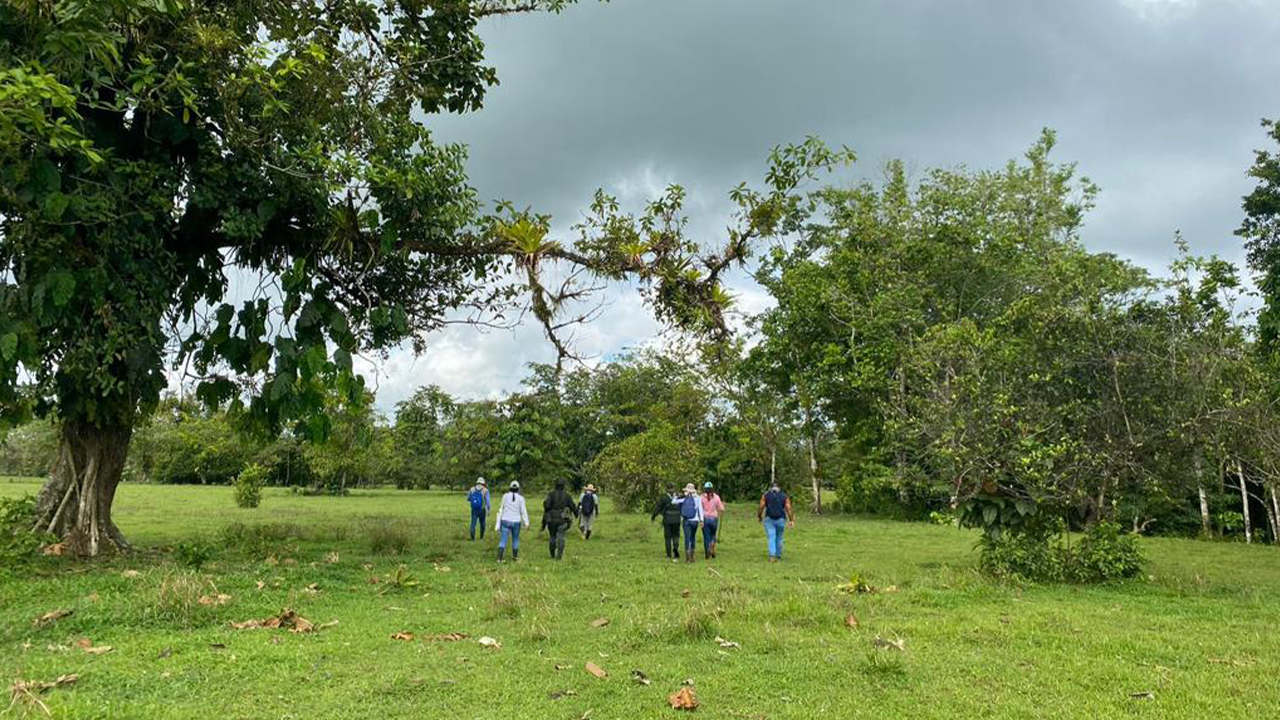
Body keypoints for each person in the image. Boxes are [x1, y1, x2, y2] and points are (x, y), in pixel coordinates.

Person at [757, 482, 795, 562]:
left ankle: (772, 555)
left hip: (769, 519)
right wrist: (791, 520)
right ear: (779, 488)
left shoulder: (766, 495)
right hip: (781, 519)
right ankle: (778, 555)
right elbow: (788, 508)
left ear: (770, 488)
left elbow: (761, 506)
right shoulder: (784, 496)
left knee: (771, 536)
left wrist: (759, 516)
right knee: (779, 537)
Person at [542, 480, 579, 560]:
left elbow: (546, 506)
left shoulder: (551, 495)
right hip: (563, 519)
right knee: (561, 536)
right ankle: (559, 555)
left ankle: (552, 554)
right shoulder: (567, 496)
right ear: (563, 486)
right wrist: (576, 514)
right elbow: (573, 506)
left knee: (552, 536)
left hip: (552, 519)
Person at [494, 481, 529, 562]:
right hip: (516, 521)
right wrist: (526, 523)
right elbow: (523, 511)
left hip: (505, 520)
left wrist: (498, 522)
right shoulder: (521, 498)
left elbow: (501, 508)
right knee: (515, 539)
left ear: (509, 488)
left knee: (503, 540)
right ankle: (515, 557)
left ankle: (500, 558)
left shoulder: (505, 496)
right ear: (518, 489)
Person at [650, 484, 684, 562]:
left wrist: (653, 516)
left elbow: (658, 508)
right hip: (677, 519)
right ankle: (675, 553)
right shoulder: (679, 496)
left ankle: (669, 555)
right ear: (674, 488)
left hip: (667, 519)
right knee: (676, 536)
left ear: (666, 489)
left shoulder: (664, 498)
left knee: (668, 537)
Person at [678, 483, 704, 563]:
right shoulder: (697, 497)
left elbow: (674, 502)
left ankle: (687, 558)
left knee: (687, 538)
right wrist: (701, 520)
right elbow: (700, 509)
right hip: (695, 521)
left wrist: (678, 496)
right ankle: (692, 557)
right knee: (693, 537)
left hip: (686, 520)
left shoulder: (684, 498)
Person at [699, 481, 725, 559]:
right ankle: (712, 547)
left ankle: (707, 552)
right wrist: (723, 505)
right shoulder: (716, 497)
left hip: (705, 518)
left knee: (706, 536)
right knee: (713, 535)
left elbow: (699, 508)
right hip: (714, 519)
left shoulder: (701, 497)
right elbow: (721, 509)